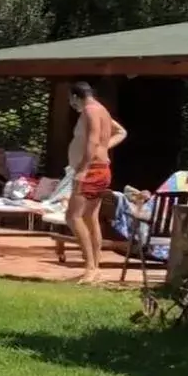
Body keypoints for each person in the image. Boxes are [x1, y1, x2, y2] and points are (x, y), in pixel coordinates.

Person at [63, 82, 127, 283]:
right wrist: (104, 149)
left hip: (91, 170)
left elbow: (92, 141)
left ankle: (90, 267)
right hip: (101, 168)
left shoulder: (90, 111)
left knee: (73, 217)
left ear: (76, 96)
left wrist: (82, 169)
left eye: (71, 100)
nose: (72, 104)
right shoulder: (102, 110)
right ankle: (95, 267)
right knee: (90, 217)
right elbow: (120, 132)